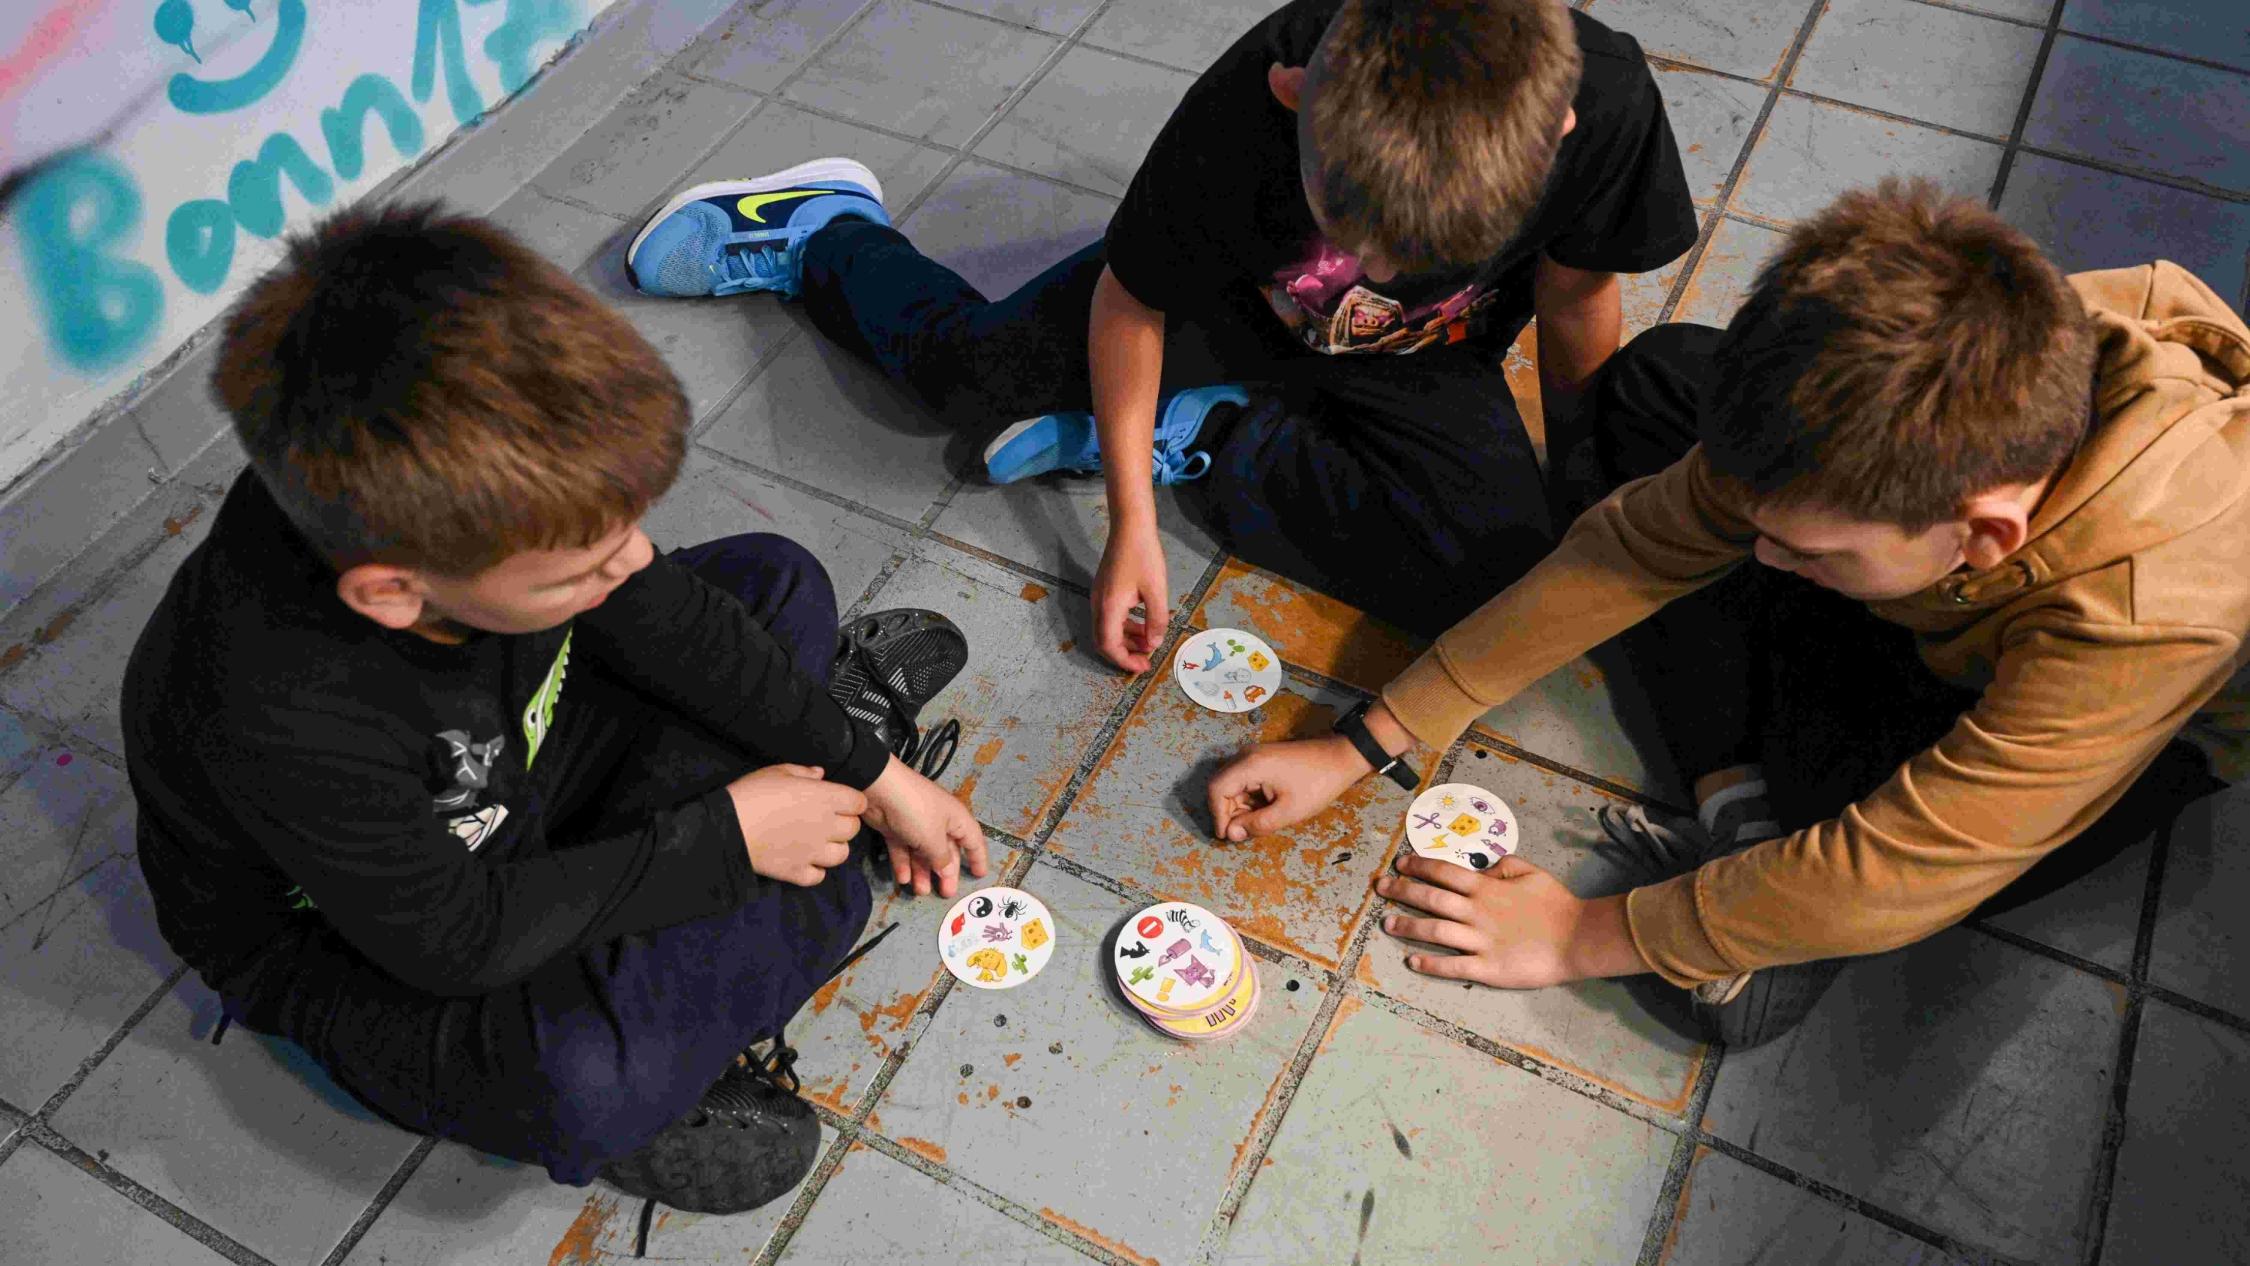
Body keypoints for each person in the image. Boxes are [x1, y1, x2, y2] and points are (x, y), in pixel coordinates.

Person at [1206, 181, 2250, 1047]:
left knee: (1850, 818)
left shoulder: (2149, 614)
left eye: (1805, 549)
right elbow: (1641, 541)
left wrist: (1587, 937)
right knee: (1657, 386)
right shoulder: (2001, 362)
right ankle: (1744, 812)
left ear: (1982, 539)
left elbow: (1909, 862)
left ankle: (1765, 839)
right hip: (1929, 589)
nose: (1763, 559)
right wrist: (1371, 740)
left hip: (2099, 729)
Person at [119, 205, 988, 1214]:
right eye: (580, 565)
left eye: (627, 529)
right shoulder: (277, 708)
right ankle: (664, 1050)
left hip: (510, 780)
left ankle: (708, 937)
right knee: (587, 1081)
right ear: (394, 592)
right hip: (374, 939)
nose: (631, 561)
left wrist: (870, 773)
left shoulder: (453, 527)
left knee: (772, 585)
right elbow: (452, 938)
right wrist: (724, 838)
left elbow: (661, 612)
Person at [622, 0, 1696, 660]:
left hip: (1421, 360)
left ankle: (1217, 431)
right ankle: (823, 231)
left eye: (1407, 251)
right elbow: (1132, 300)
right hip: (1218, 302)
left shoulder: (1604, 105)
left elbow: (1573, 301)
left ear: (1559, 134)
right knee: (975, 381)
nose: (1364, 272)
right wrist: (1131, 524)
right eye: (1348, 230)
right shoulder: (1256, 90)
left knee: (1502, 577)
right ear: (1294, 94)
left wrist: (1591, 479)